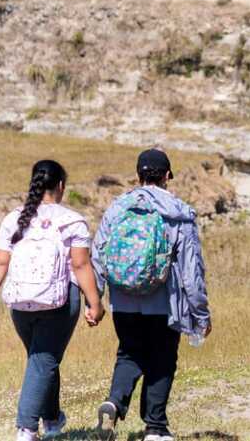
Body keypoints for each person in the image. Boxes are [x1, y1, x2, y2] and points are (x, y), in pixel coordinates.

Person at [93, 149, 211, 441]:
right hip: (164, 302)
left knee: (129, 352)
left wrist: (94, 299)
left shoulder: (118, 208)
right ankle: (155, 428)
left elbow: (98, 253)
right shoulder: (178, 212)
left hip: (123, 299)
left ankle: (114, 403)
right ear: (168, 175)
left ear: (138, 175)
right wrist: (201, 312)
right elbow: (190, 270)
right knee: (162, 358)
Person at [0, 160, 105, 441]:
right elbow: (80, 265)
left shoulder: (12, 219)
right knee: (43, 360)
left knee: (42, 358)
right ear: (62, 187)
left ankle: (52, 421)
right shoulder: (72, 221)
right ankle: (27, 429)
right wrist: (95, 302)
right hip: (59, 302)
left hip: (19, 304)